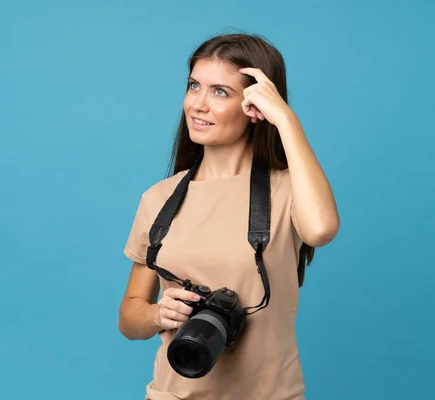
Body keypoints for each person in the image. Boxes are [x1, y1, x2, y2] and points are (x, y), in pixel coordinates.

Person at [118, 33, 340, 400]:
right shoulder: (159, 199)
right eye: (194, 86)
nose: (198, 105)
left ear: (254, 106)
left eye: (220, 91)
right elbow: (129, 317)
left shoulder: (286, 191)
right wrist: (159, 315)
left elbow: (321, 229)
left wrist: (285, 119)